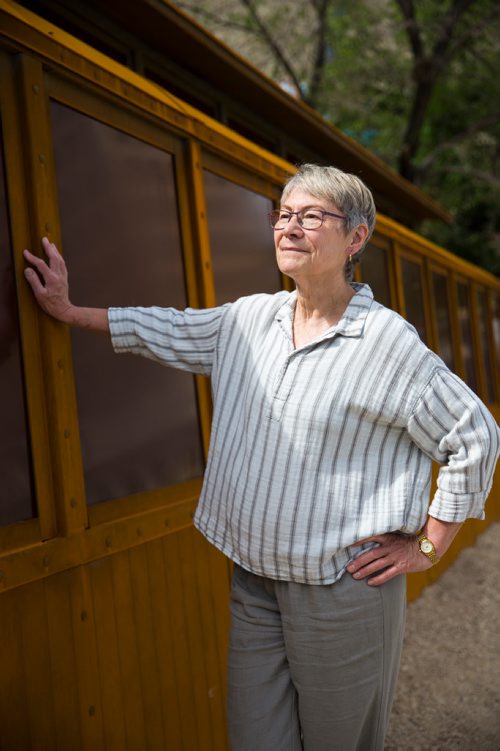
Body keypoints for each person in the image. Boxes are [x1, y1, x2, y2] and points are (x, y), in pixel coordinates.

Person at [23, 164, 499, 751]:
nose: (290, 228)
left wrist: (428, 545)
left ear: (356, 237)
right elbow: (168, 329)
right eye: (283, 215)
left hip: (343, 590)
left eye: (311, 217)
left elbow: (474, 434)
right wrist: (71, 313)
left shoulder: (386, 342)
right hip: (254, 581)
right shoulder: (252, 318)